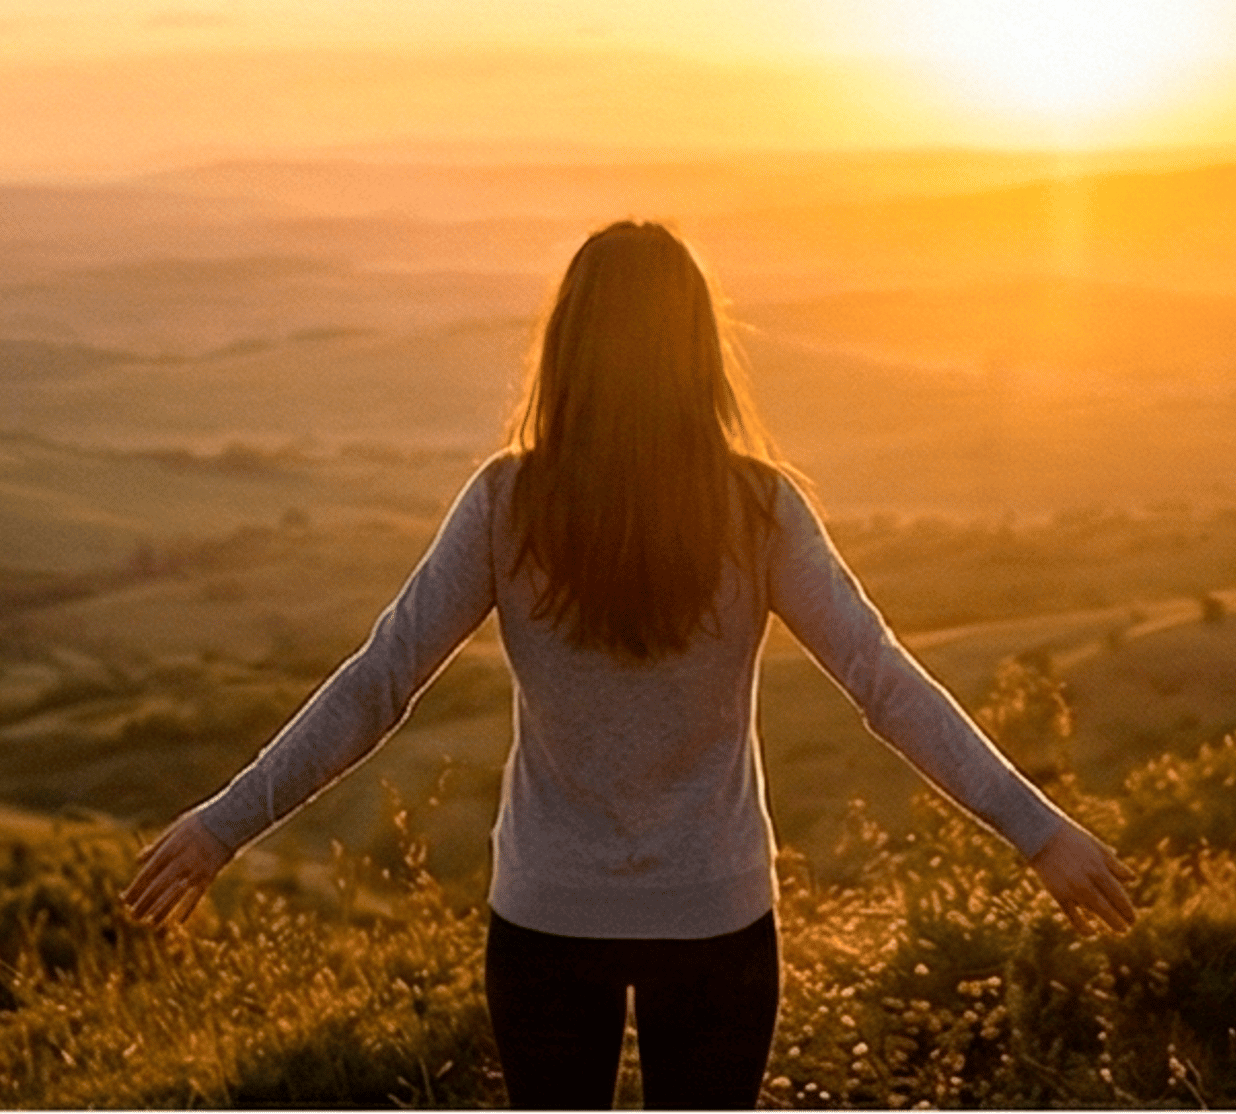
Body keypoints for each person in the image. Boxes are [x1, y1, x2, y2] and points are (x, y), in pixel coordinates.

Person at [123, 219, 1137, 1109]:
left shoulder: (508, 503)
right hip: (717, 916)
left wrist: (223, 826)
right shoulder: (758, 508)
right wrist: (1038, 832)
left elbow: (378, 683)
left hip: (547, 919)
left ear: (567, 347)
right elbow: (883, 680)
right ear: (700, 354)